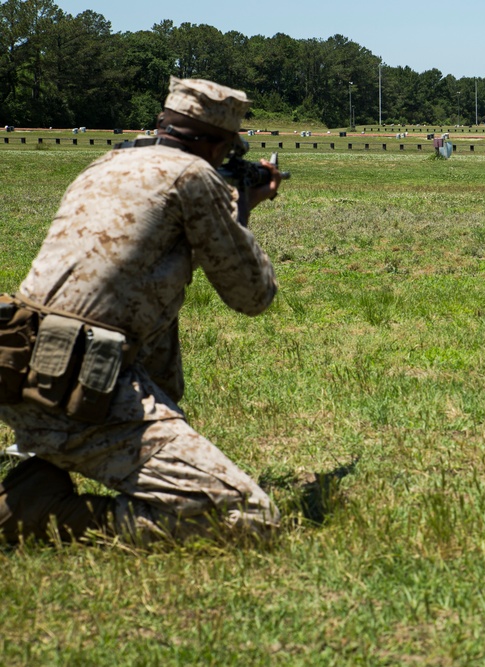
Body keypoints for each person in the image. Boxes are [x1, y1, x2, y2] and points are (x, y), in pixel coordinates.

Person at [0, 77, 283, 546]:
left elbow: (138, 283)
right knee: (247, 520)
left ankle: (43, 469)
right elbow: (251, 295)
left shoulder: (105, 164)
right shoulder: (194, 177)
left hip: (17, 363)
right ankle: (35, 512)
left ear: (163, 124)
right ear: (221, 144)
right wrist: (241, 209)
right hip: (79, 386)